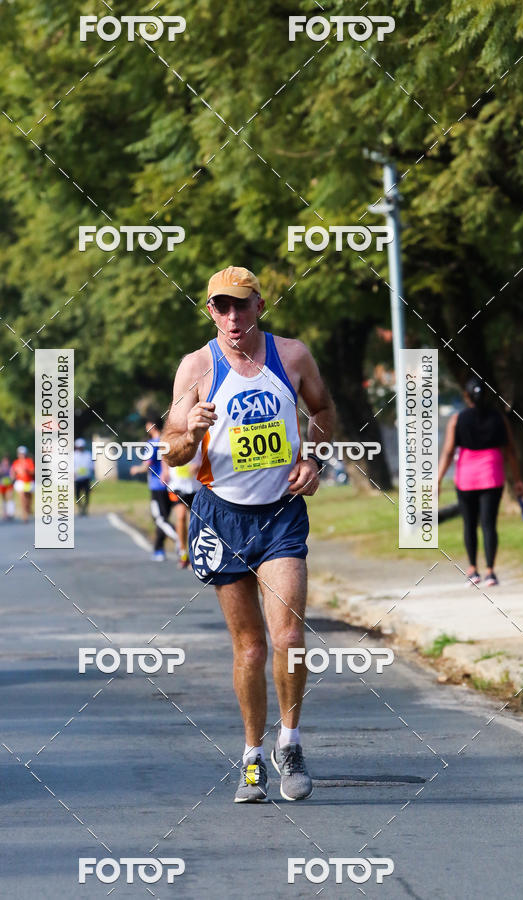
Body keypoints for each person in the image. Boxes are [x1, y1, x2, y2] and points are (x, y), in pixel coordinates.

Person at [162, 266, 336, 803]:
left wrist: (314, 456)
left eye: (242, 305)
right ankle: (251, 757)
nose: (233, 316)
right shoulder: (196, 367)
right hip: (220, 516)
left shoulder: (293, 356)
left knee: (289, 639)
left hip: (281, 514)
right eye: (222, 306)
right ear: (210, 310)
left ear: (260, 304)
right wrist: (188, 432)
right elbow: (170, 449)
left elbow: (324, 409)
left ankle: (290, 742)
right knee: (252, 648)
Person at [438, 376, 523, 587]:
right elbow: (511, 451)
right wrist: (518, 480)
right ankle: (490, 572)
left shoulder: (457, 419)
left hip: (466, 478)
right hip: (492, 476)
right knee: (489, 524)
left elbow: (449, 451)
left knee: (469, 524)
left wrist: (438, 480)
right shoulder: (499, 418)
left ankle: (472, 570)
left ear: (466, 396)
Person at [130, 417, 179, 562]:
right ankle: (159, 550)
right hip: (172, 485)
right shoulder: (169, 440)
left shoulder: (152, 443)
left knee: (159, 519)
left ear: (151, 426)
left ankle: (180, 538)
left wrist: (136, 469)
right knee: (162, 518)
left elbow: (146, 465)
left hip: (158, 486)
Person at [168, 449, 202, 568]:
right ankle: (182, 552)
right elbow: (163, 454)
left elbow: (208, 457)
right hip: (177, 487)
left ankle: (198, 552)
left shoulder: (199, 438)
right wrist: (164, 470)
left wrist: (198, 465)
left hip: (195, 487)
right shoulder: (173, 437)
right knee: (181, 516)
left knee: (197, 522)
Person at [10, 446, 35, 522]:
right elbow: (13, 472)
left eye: (23, 453)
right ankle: (24, 515)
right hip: (20, 482)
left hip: (29, 482)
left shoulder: (29, 461)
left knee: (28, 498)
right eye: (20, 453)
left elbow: (33, 471)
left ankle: (28, 508)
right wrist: (12, 477)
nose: (22, 455)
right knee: (22, 497)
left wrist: (27, 471)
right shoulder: (16, 462)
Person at [74, 438, 94, 515]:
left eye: (81, 446)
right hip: (77, 478)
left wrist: (91, 471)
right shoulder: (74, 455)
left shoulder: (88, 454)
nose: (80, 448)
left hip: (86, 477)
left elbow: (91, 465)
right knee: (77, 494)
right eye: (79, 447)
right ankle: (80, 507)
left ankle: (85, 508)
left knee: (87, 493)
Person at [0, 455, 14, 519]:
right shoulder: (0, 466)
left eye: (7, 460)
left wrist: (12, 478)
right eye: (5, 460)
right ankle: (4, 512)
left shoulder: (11, 466)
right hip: (1, 484)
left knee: (10, 497)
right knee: (3, 498)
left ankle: (10, 513)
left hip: (9, 484)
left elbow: (13, 475)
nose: (6, 462)